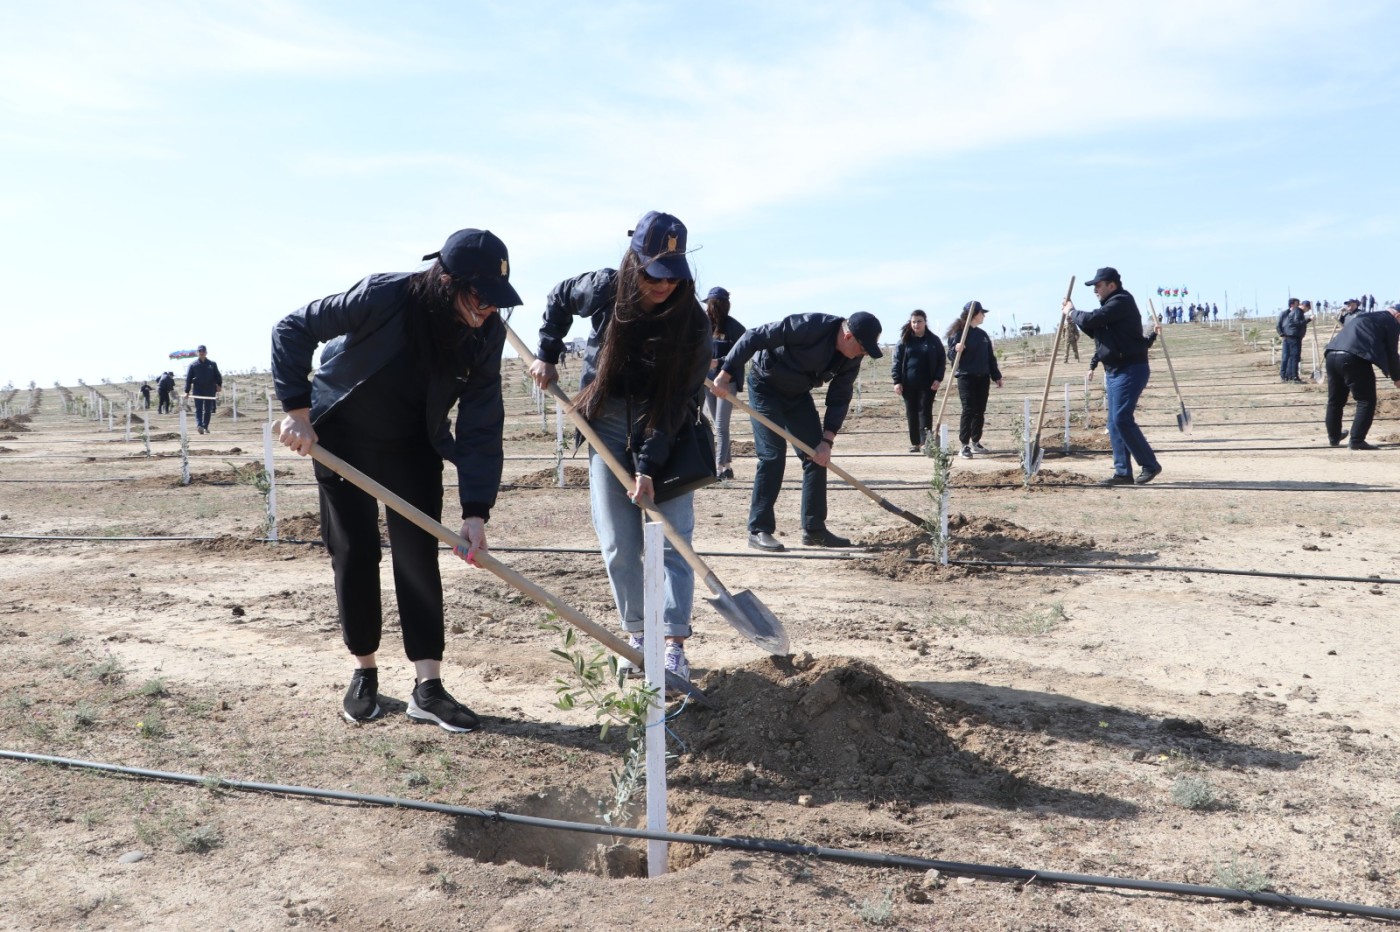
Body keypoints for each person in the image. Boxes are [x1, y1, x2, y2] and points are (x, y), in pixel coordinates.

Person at [271, 228, 519, 731]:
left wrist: (476, 510)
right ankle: (364, 671)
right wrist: (297, 412)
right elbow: (292, 327)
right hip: (341, 438)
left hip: (414, 445)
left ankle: (428, 686)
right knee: (355, 552)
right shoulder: (385, 295)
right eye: (480, 297)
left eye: (497, 300)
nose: (489, 309)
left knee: (417, 557)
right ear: (447, 281)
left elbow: (481, 420)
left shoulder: (485, 332)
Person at [529, 211, 710, 683]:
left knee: (673, 539)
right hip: (605, 422)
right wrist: (547, 352)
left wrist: (649, 464)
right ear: (635, 261)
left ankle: (673, 646)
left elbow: (677, 404)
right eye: (654, 273)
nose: (663, 285)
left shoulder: (692, 323)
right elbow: (558, 297)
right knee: (618, 543)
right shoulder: (605, 288)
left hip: (665, 426)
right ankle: (639, 636)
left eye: (673, 276)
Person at [712, 311, 882, 552]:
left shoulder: (852, 358)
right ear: (848, 335)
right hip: (765, 386)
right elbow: (753, 336)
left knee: (816, 456)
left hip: (798, 394)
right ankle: (759, 529)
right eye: (863, 348)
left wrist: (827, 440)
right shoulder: (809, 326)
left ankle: (814, 530)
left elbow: (840, 396)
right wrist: (725, 373)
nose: (863, 354)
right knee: (772, 456)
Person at [1063, 267, 1162, 485]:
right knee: (1114, 422)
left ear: (1111, 285)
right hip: (1114, 371)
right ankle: (1122, 473)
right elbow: (1094, 329)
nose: (1095, 290)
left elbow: (1093, 319)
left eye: (1098, 286)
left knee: (1121, 419)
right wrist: (1073, 316)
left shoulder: (1121, 301)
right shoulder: (1110, 309)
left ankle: (1150, 465)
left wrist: (1072, 312)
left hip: (1131, 369)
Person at [1323, 302, 1400, 450]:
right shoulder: (1391, 322)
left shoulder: (1367, 316)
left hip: (1332, 354)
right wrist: (1397, 377)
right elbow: (1392, 352)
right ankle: (1357, 440)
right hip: (1354, 358)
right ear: (1398, 315)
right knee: (1366, 400)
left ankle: (1334, 437)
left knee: (1335, 400)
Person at [945, 301, 1002, 459]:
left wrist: (996, 375)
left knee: (980, 411)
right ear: (975, 314)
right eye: (982, 313)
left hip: (982, 377)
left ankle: (976, 441)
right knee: (968, 409)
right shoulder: (959, 332)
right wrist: (956, 350)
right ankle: (964, 445)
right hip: (966, 376)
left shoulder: (983, 335)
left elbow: (990, 358)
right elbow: (951, 356)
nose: (984, 315)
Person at [702, 286, 746, 480]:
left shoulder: (735, 328)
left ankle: (719, 468)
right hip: (706, 382)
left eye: (711, 305)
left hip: (727, 383)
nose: (709, 308)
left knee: (721, 426)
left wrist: (719, 362)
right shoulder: (703, 326)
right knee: (715, 424)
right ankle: (727, 467)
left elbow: (742, 353)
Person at [890, 309, 946, 451]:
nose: (916, 324)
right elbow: (896, 362)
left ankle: (925, 442)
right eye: (914, 322)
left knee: (925, 412)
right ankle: (915, 442)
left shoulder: (933, 341)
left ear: (925, 322)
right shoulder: (904, 341)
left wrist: (938, 379)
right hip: (908, 384)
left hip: (928, 384)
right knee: (911, 412)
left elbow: (941, 361)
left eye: (919, 321)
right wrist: (897, 381)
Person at [183, 345, 223, 434]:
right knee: (199, 408)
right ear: (197, 353)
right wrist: (187, 391)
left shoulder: (212, 364)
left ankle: (205, 426)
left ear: (206, 353)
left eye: (203, 351)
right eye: (200, 351)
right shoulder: (193, 365)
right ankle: (199, 425)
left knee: (208, 409)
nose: (202, 353)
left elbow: (217, 375)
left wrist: (219, 385)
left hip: (210, 389)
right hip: (198, 390)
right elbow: (188, 379)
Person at [1277, 298, 1307, 382]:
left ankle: (1289, 375)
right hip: (1287, 337)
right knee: (1286, 356)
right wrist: (1282, 334)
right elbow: (1279, 325)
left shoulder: (1296, 312)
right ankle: (1284, 375)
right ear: (1292, 305)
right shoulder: (1285, 313)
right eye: (1297, 303)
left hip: (1294, 336)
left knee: (1292, 357)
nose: (1299, 305)